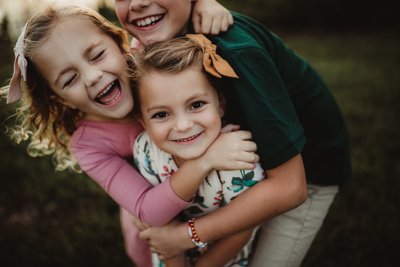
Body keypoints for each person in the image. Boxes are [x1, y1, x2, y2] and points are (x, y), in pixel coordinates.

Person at [0, 4, 259, 267]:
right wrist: (205, 161)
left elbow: (175, 10)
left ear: (119, 43)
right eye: (69, 80)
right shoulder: (88, 145)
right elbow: (149, 211)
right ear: (60, 99)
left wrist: (203, 2)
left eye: (97, 55)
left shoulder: (149, 62)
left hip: (220, 211)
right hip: (155, 223)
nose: (92, 76)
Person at [113, 0, 352, 266]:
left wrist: (183, 237)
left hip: (306, 169)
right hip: (229, 159)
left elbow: (290, 189)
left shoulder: (237, 52)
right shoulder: (155, 40)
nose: (139, 2)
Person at [131, 34, 265, 267]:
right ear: (143, 121)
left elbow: (242, 229)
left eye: (196, 105)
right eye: (161, 114)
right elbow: (157, 219)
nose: (183, 126)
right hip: (169, 253)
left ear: (220, 104)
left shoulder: (238, 158)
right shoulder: (146, 150)